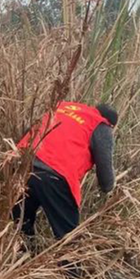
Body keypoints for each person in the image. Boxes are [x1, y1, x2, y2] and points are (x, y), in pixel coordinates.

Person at [14, 101, 118, 239]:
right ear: (111, 124)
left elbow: (30, 130)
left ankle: (19, 256)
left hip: (22, 165)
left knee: (19, 228)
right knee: (69, 240)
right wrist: (109, 187)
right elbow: (106, 178)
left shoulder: (62, 106)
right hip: (54, 175)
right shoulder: (101, 126)